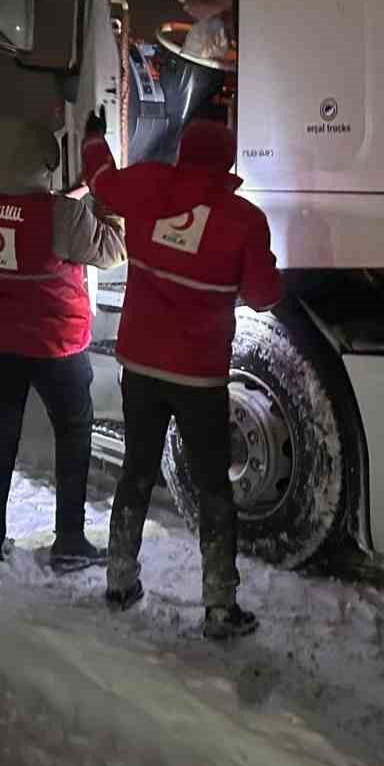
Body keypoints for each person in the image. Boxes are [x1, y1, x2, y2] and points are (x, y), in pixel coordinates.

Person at [80, 110, 283, 639]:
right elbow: (263, 295)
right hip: (199, 375)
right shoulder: (244, 219)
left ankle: (119, 581)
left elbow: (101, 182)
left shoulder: (149, 185)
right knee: (213, 486)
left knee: (136, 471)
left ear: (183, 152)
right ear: (229, 161)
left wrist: (94, 139)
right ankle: (219, 606)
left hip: (141, 366)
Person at [0, 115, 127, 577]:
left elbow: (24, 213)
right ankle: (69, 540)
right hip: (55, 348)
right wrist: (105, 198)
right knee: (73, 434)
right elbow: (112, 248)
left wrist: (67, 199)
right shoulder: (62, 217)